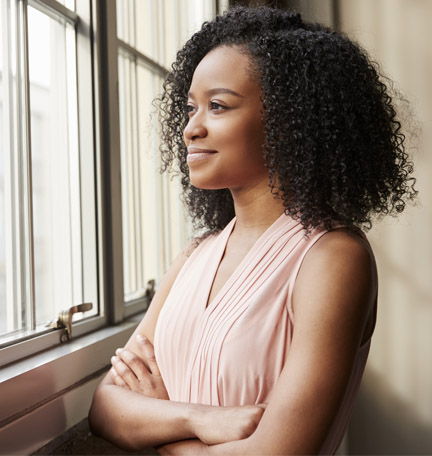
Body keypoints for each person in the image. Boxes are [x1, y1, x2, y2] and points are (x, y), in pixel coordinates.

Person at [88, 6, 416, 455]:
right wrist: (199, 417)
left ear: (287, 122)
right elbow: (105, 406)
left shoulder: (333, 257)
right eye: (189, 109)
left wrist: (159, 425)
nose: (190, 129)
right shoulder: (195, 255)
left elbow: (276, 452)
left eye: (217, 106)